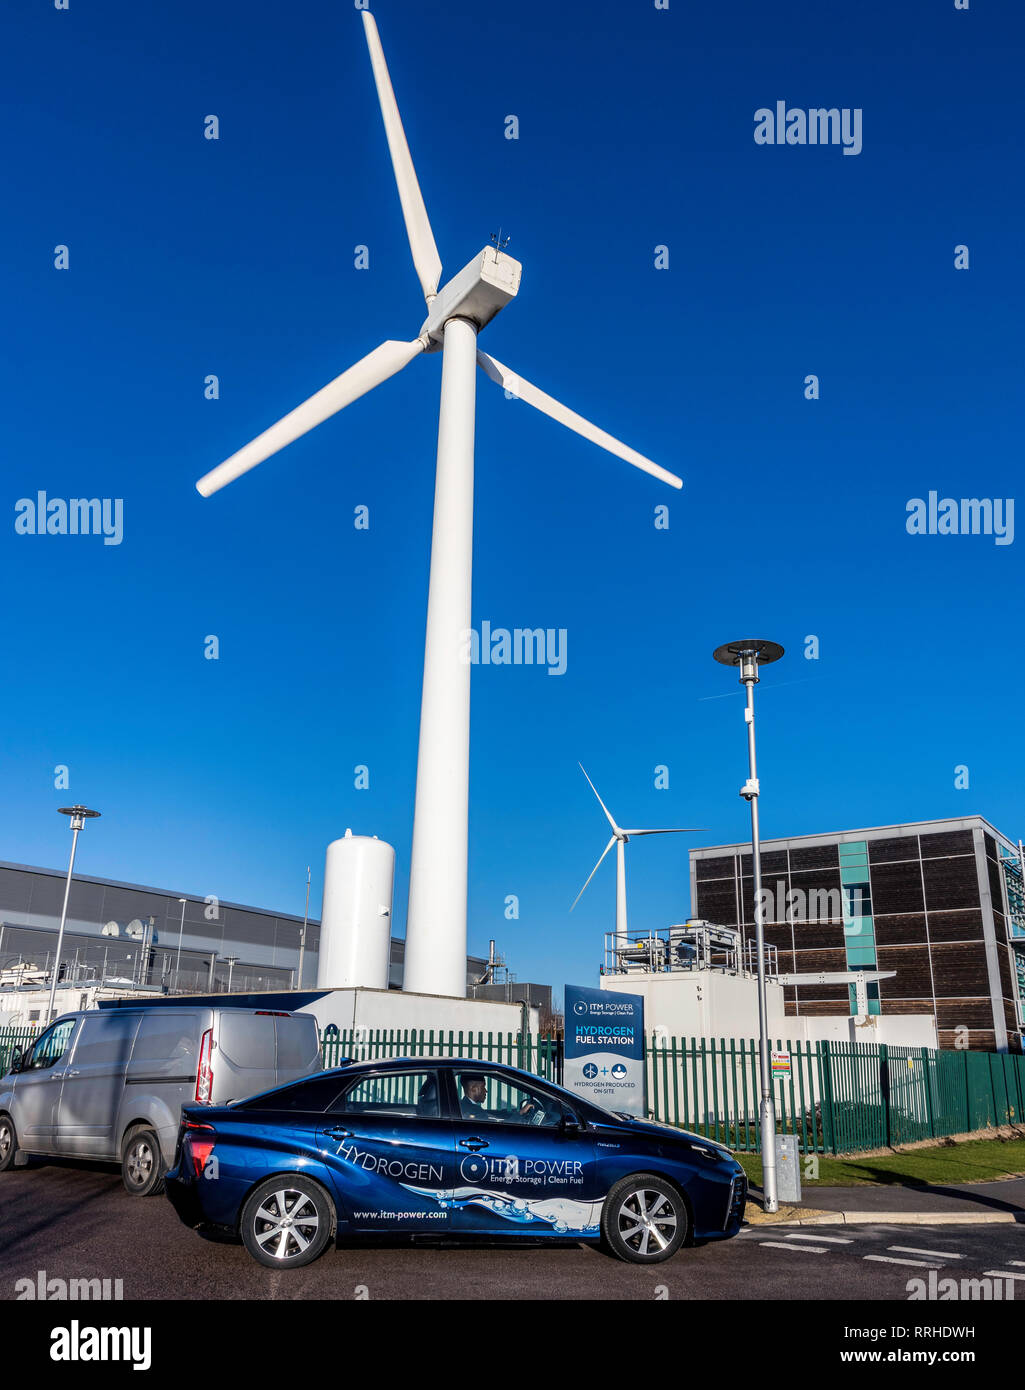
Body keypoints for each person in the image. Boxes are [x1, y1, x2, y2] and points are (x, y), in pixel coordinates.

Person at [458, 1073, 539, 1123]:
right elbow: (500, 1128)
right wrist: (520, 1113)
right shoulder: (473, 1112)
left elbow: (492, 1116)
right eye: (483, 1087)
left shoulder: (466, 1106)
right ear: (474, 1089)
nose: (486, 1091)